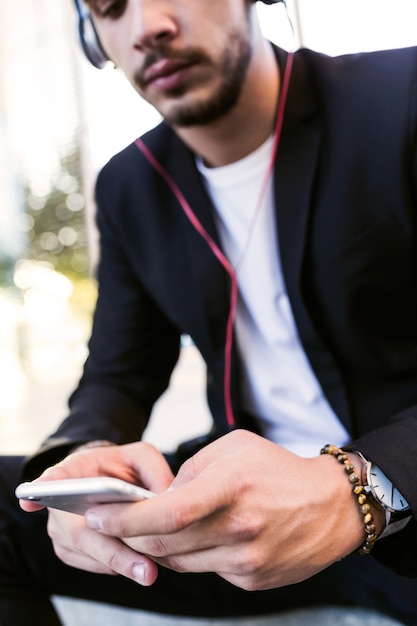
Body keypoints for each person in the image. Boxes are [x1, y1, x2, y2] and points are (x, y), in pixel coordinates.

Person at [2, 0, 417, 623]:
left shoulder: (399, 99)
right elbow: (118, 374)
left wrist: (363, 487)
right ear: (95, 39)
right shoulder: (129, 187)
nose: (147, 27)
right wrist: (78, 464)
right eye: (111, 8)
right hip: (236, 516)